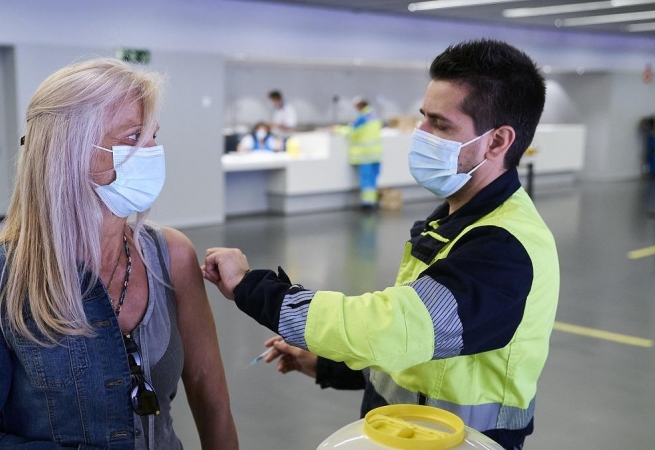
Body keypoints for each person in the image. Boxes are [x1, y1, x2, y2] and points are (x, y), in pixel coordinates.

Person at [203, 39, 557, 450]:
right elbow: (420, 347)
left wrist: (251, 287)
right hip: (410, 433)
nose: (419, 134)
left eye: (440, 125)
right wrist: (329, 366)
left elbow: (387, 328)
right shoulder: (454, 221)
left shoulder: (502, 247)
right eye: (423, 118)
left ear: (497, 142)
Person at [0, 58, 238, 450]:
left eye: (153, 137)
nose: (151, 152)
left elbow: (210, 395)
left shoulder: (171, 255)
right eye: (133, 137)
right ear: (69, 152)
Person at [334, 96, 384, 208]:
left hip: (365, 154)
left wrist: (337, 129)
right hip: (376, 153)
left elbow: (352, 131)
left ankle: (367, 202)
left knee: (366, 179)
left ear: (360, 106)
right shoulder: (374, 115)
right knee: (373, 178)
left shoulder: (363, 118)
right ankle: (373, 200)